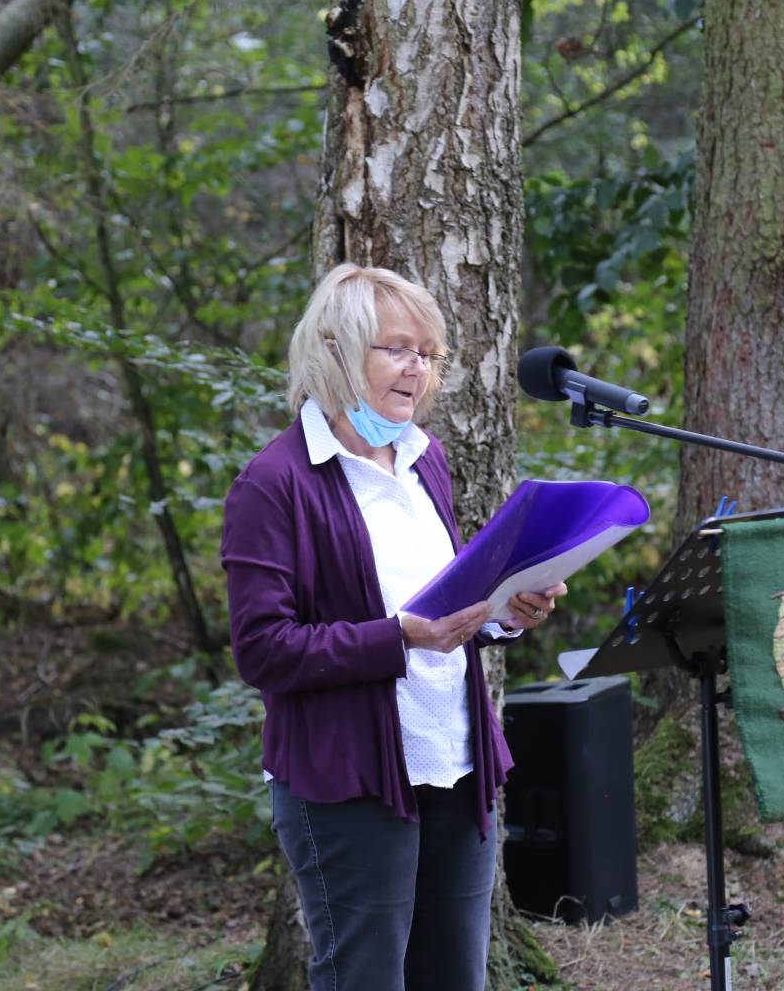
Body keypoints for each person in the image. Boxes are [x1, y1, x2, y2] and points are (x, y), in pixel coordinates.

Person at [221, 262, 565, 991]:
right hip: (349, 780)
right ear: (335, 348)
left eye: (430, 354)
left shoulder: (424, 461)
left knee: (455, 980)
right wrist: (398, 637)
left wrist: (504, 613)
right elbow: (263, 651)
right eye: (398, 348)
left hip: (455, 760)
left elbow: (444, 605)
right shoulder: (274, 482)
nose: (419, 369)